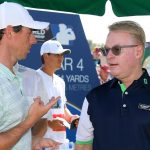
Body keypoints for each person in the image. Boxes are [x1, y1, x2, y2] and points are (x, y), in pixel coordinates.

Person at [75, 20, 150, 150]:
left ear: (138, 52)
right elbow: (82, 146)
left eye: (116, 49)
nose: (109, 56)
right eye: (106, 50)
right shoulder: (94, 97)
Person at [0, 2, 59, 150]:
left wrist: (31, 142)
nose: (34, 40)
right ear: (9, 32)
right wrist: (29, 121)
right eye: (29, 33)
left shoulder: (23, 75)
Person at [37, 40, 79, 149]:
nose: (61, 58)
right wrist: (49, 124)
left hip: (62, 143)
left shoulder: (60, 82)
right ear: (46, 56)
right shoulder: (34, 78)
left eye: (62, 55)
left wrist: (71, 118)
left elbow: (62, 108)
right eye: (57, 55)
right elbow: (26, 115)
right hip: (42, 143)